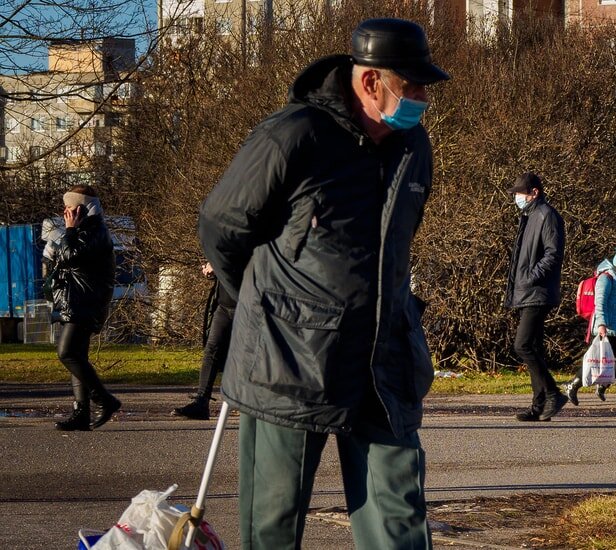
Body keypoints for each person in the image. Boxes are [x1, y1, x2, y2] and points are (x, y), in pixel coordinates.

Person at [198, 18, 447, 548]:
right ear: (370, 82)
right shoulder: (294, 135)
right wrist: (252, 299)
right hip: (288, 358)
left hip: (383, 360)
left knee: (399, 518)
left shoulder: (414, 147)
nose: (423, 97)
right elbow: (222, 223)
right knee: (274, 523)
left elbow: (396, 246)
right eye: (413, 84)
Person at [49, 185, 122, 431]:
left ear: (80, 208)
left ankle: (105, 399)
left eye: (69, 208)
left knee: (67, 352)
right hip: (77, 301)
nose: (65, 213)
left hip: (85, 304)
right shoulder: (87, 229)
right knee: (77, 356)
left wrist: (68, 232)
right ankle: (81, 413)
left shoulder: (95, 230)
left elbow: (71, 256)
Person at [505, 171, 567, 422]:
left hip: (537, 291)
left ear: (534, 193)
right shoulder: (529, 216)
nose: (517, 198)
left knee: (523, 345)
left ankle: (552, 393)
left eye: (520, 193)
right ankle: (539, 404)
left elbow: (553, 254)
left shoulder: (546, 215)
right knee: (534, 347)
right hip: (527, 291)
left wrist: (530, 277)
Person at [563, 247, 616, 406]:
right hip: (608, 327)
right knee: (600, 360)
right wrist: (601, 324)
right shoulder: (607, 278)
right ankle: (574, 384)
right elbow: (600, 302)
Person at [173, 262, 236, 420]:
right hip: (224, 305)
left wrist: (217, 264)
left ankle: (256, 407)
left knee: (247, 356)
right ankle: (201, 403)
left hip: (247, 306)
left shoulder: (251, 240)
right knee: (211, 350)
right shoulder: (228, 239)